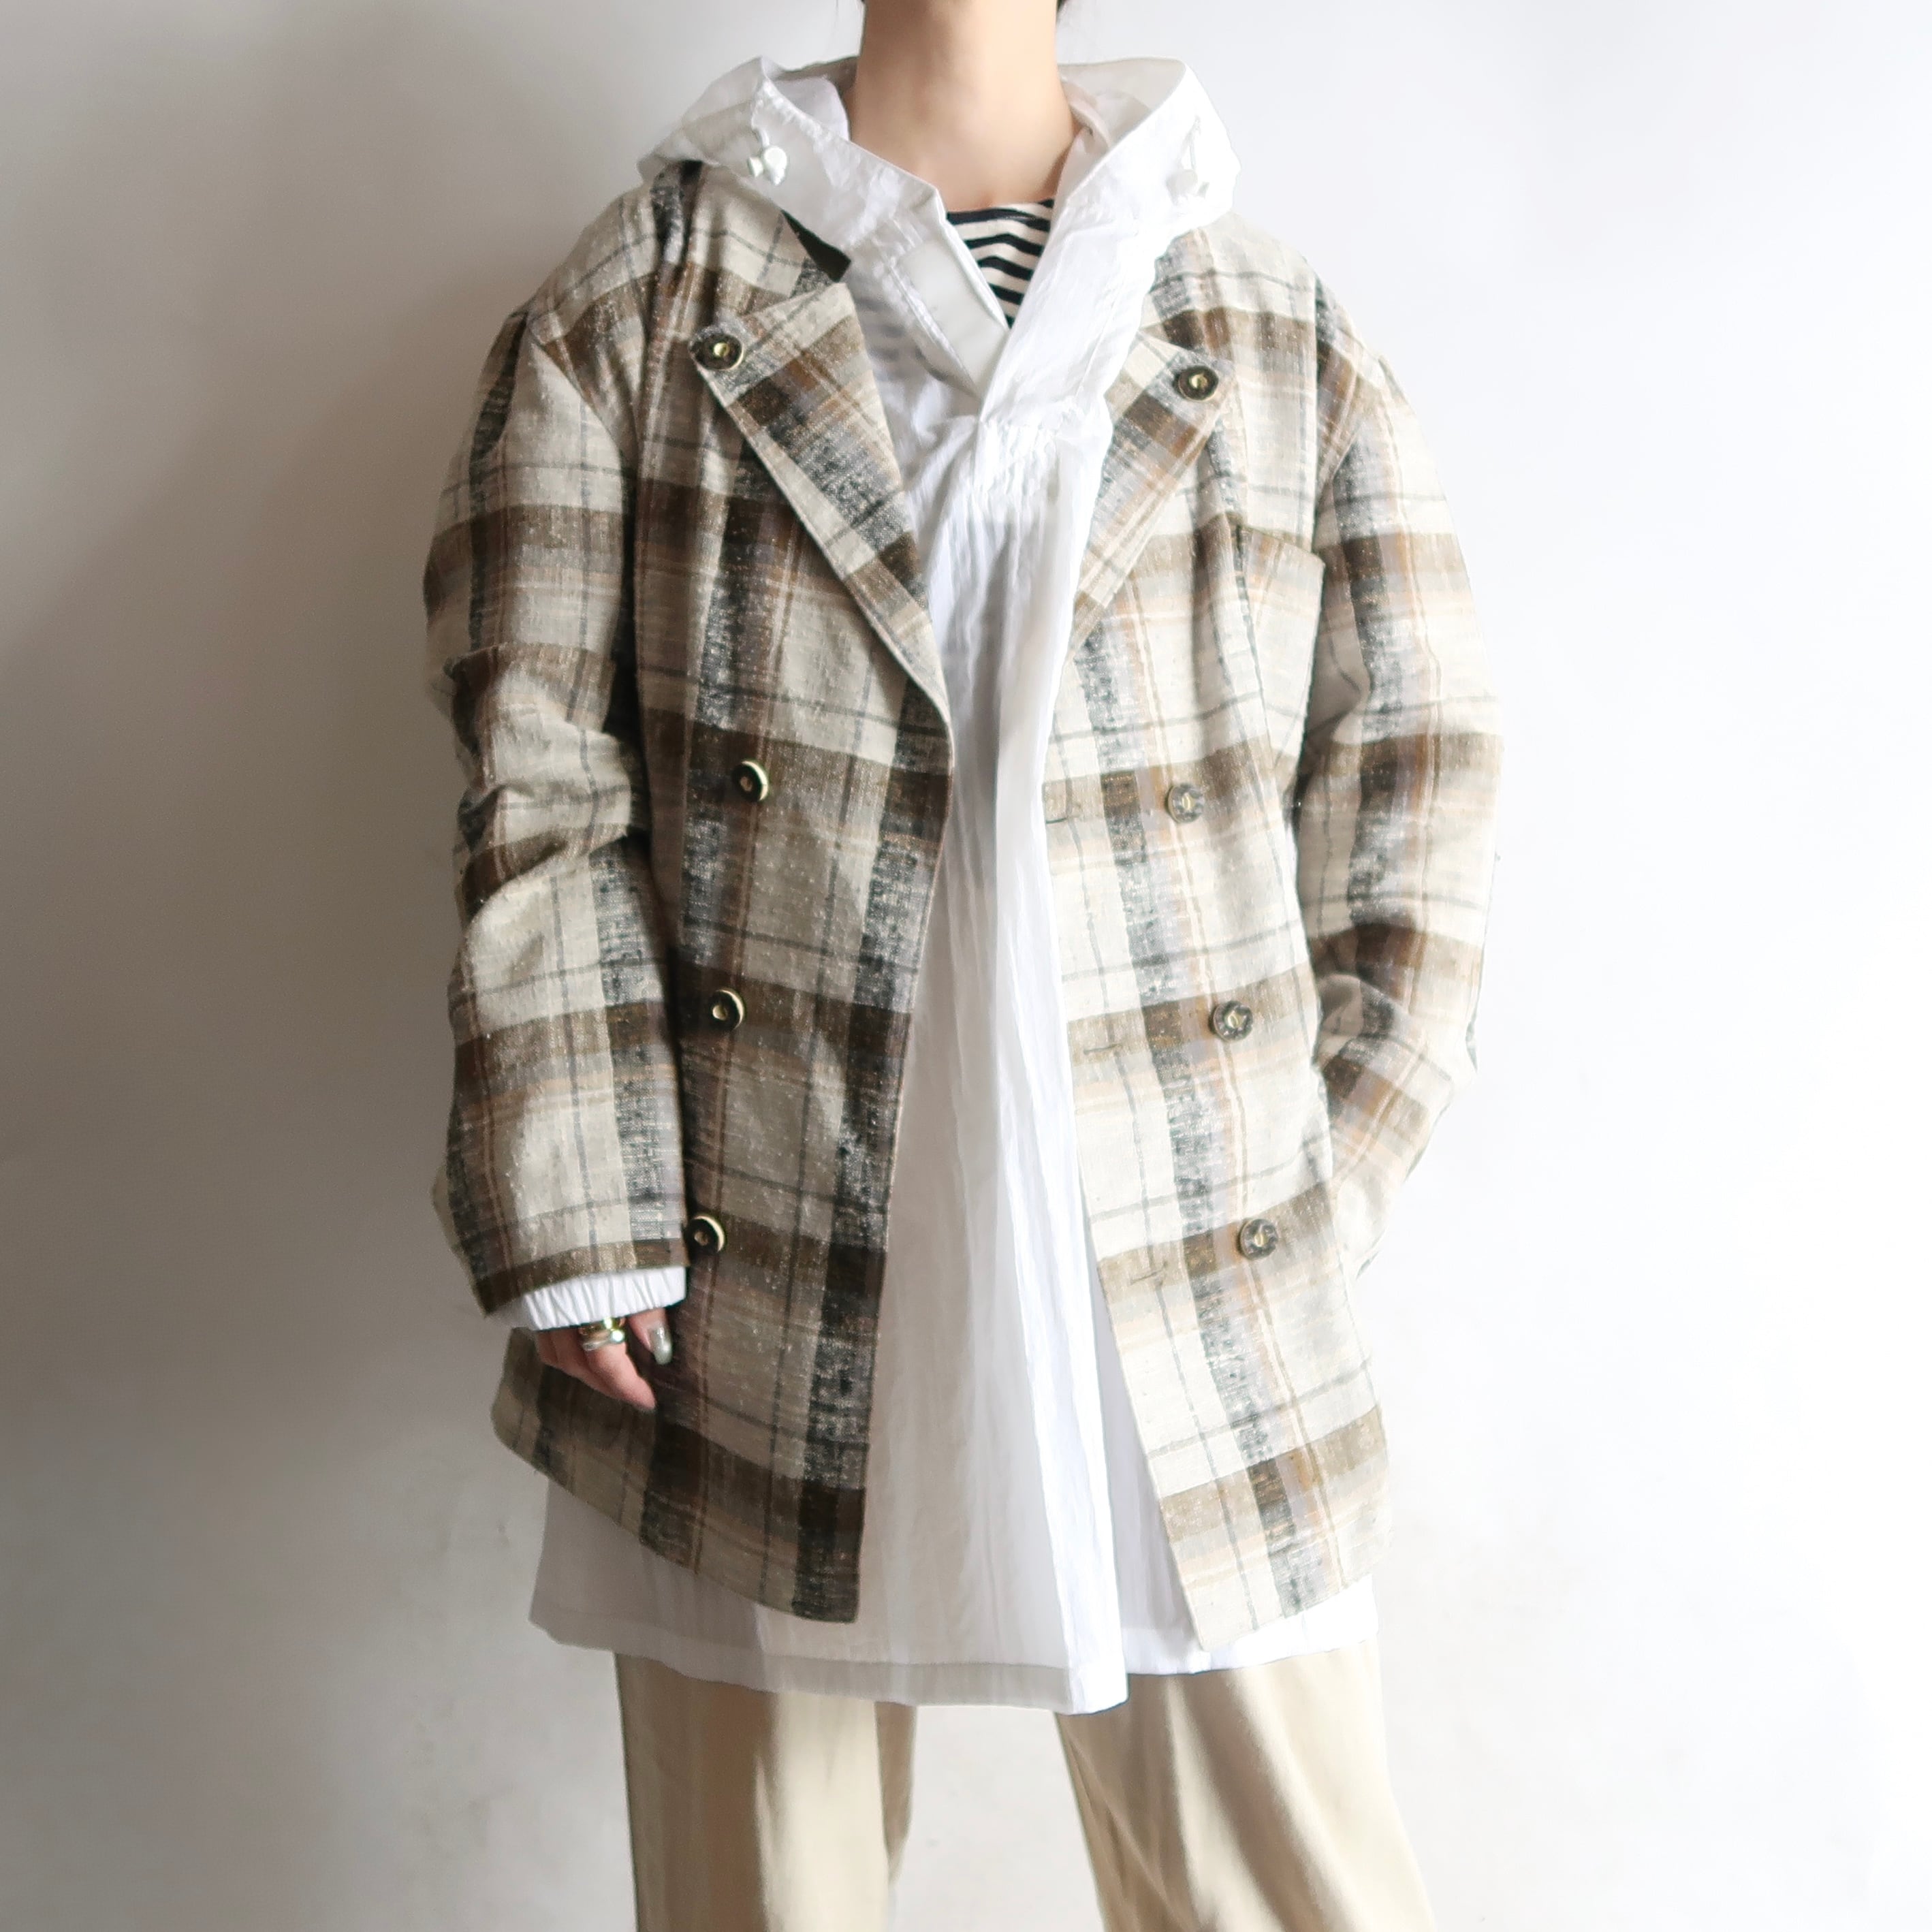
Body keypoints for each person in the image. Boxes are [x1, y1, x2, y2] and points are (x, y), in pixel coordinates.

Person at [422, 0, 1503, 1924]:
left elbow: (1412, 776)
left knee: (1291, 1880)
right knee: (767, 1885)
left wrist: (1311, 1180)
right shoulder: (646, 300)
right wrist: (581, 1196)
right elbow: (542, 768)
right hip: (750, 1242)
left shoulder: (1262, 322)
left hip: (1181, 1239)